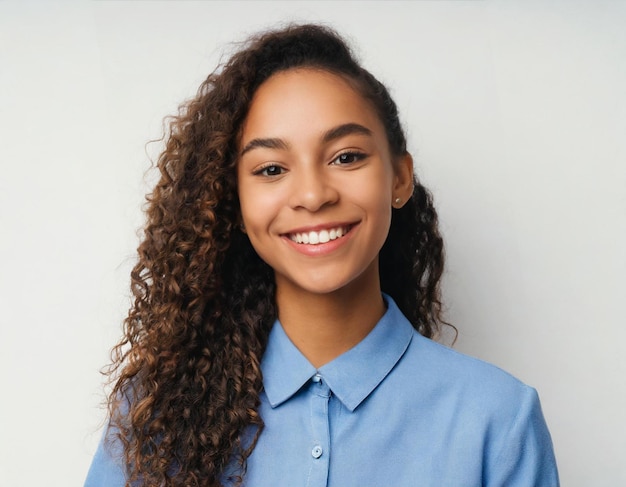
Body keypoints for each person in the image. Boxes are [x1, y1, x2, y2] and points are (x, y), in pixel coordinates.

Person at [84, 24, 559, 487]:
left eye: (346, 157)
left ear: (399, 178)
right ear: (233, 201)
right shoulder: (156, 412)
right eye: (271, 168)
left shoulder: (498, 420)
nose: (312, 195)